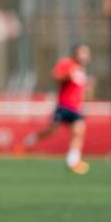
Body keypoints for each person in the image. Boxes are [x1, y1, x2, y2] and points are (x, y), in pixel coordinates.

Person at [17, 44, 92, 175]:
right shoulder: (67, 64)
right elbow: (56, 75)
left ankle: (73, 161)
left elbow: (82, 91)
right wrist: (68, 75)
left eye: (86, 54)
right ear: (75, 53)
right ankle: (28, 141)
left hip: (76, 107)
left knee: (78, 132)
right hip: (64, 105)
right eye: (82, 53)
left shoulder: (82, 70)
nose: (85, 56)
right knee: (51, 131)